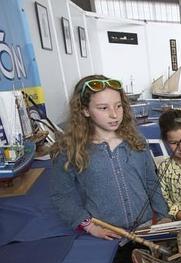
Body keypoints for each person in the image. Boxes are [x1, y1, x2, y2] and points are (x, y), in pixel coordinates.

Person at [50, 75, 168, 240]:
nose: (114, 114)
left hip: (146, 228)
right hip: (106, 235)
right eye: (103, 108)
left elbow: (151, 182)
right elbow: (61, 195)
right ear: (85, 110)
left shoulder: (137, 142)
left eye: (118, 106)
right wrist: (89, 226)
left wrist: (164, 217)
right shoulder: (70, 150)